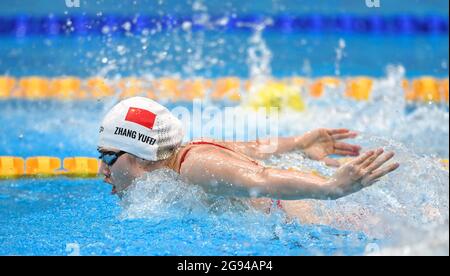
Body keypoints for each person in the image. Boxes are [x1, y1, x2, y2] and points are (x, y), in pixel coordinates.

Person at [98, 97, 399, 211]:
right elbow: (253, 149)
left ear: (141, 154)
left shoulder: (196, 166)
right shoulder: (189, 153)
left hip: (328, 223)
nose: (102, 170)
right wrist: (298, 144)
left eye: (109, 157)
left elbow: (262, 178)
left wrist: (330, 188)